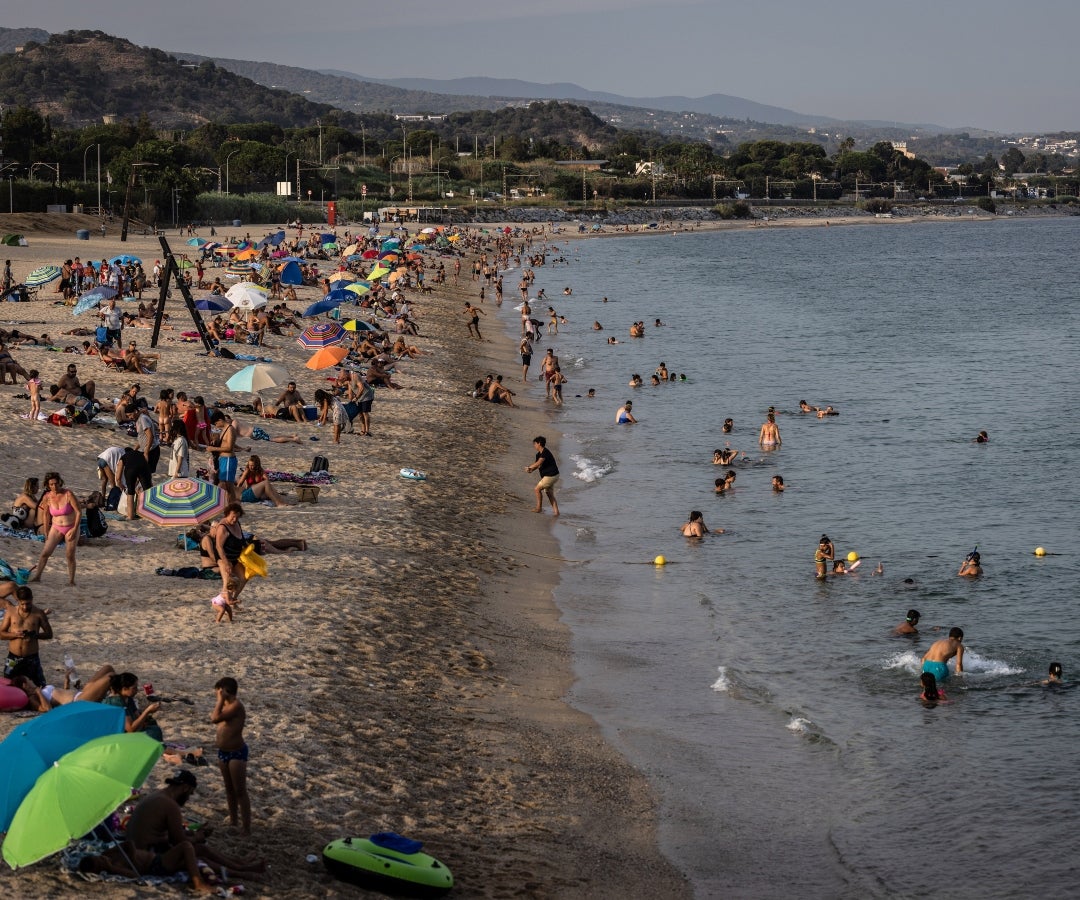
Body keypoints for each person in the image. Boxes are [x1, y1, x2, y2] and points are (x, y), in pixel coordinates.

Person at [126, 771, 265, 876]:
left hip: (137, 849)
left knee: (199, 848)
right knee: (198, 853)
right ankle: (241, 871)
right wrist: (198, 837)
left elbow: (166, 832)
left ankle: (239, 864)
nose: (188, 798)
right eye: (190, 794)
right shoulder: (170, 805)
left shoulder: (158, 795)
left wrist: (192, 833)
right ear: (185, 788)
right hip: (147, 856)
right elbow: (179, 841)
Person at [77, 838, 215, 893]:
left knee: (200, 857)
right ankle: (198, 882)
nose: (102, 859)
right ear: (100, 869)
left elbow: (128, 843)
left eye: (98, 858)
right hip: (158, 865)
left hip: (159, 857)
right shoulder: (114, 867)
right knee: (186, 846)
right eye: (100, 863)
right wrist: (111, 867)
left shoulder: (107, 853)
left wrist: (132, 856)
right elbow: (136, 876)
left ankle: (237, 871)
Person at [211, 676, 251, 834]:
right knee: (229, 789)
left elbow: (214, 718)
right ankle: (233, 821)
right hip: (223, 752)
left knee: (240, 790)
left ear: (226, 692)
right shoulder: (225, 705)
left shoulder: (235, 706)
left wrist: (220, 699)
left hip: (236, 753)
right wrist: (220, 701)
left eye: (219, 692)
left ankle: (246, 827)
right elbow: (214, 716)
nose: (217, 695)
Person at [29, 472, 80, 585]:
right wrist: (46, 531)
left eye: (56, 483)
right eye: (51, 484)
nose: (54, 486)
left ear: (60, 483)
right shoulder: (47, 497)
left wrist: (75, 529)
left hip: (71, 526)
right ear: (48, 485)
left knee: (69, 555)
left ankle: (71, 581)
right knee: (45, 553)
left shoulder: (68, 494)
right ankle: (37, 576)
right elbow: (46, 515)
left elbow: (78, 512)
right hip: (56, 527)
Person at [1, 586, 53, 686]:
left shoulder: (39, 614)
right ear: (18, 601)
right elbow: (1, 634)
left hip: (31, 658)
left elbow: (49, 634)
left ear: (32, 600)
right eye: (22, 604)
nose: (25, 607)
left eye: (28, 603)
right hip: (13, 658)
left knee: (39, 686)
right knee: (8, 684)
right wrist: (14, 635)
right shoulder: (11, 612)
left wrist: (35, 636)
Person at [103, 671, 163, 741]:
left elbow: (138, 718)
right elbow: (130, 729)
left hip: (128, 732)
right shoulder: (115, 702)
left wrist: (147, 714)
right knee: (152, 733)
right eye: (134, 688)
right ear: (124, 688)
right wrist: (147, 711)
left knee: (153, 726)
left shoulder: (128, 699)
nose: (137, 690)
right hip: (115, 736)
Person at [213, 503, 249, 600]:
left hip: (235, 557)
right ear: (227, 514)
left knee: (244, 578)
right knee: (228, 583)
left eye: (237, 517)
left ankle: (233, 599)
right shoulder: (223, 527)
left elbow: (242, 540)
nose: (235, 519)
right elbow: (219, 547)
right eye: (233, 517)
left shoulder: (237, 524)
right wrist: (226, 563)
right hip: (224, 558)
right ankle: (223, 604)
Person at [524, 435, 559, 517]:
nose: (534, 445)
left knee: (537, 489)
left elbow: (539, 462)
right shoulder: (538, 454)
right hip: (551, 476)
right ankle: (556, 512)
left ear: (539, 443)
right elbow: (537, 466)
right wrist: (531, 470)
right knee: (549, 494)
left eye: (535, 444)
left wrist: (529, 467)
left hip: (551, 476)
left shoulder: (545, 452)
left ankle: (539, 508)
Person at [209, 411, 239, 502]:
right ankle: (230, 505)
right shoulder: (224, 429)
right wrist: (215, 443)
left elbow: (229, 447)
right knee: (224, 485)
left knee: (228, 486)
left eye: (216, 423)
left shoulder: (230, 429)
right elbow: (223, 445)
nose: (216, 426)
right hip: (224, 460)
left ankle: (232, 506)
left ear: (220, 420)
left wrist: (213, 449)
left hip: (228, 459)